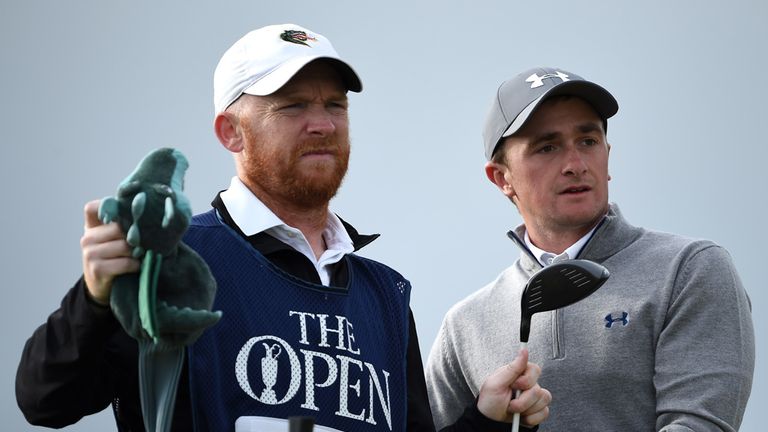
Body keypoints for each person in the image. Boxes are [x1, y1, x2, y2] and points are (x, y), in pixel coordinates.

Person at [15, 25, 551, 432]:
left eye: (334, 105)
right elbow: (47, 399)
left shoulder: (384, 293)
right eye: (292, 105)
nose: (323, 124)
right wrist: (92, 300)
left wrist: (483, 419)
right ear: (231, 132)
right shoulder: (173, 262)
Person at [425, 67, 755, 431]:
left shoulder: (689, 269)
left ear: (607, 155)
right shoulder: (464, 325)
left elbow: (698, 425)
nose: (575, 165)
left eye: (588, 142)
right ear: (501, 178)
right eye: (547, 147)